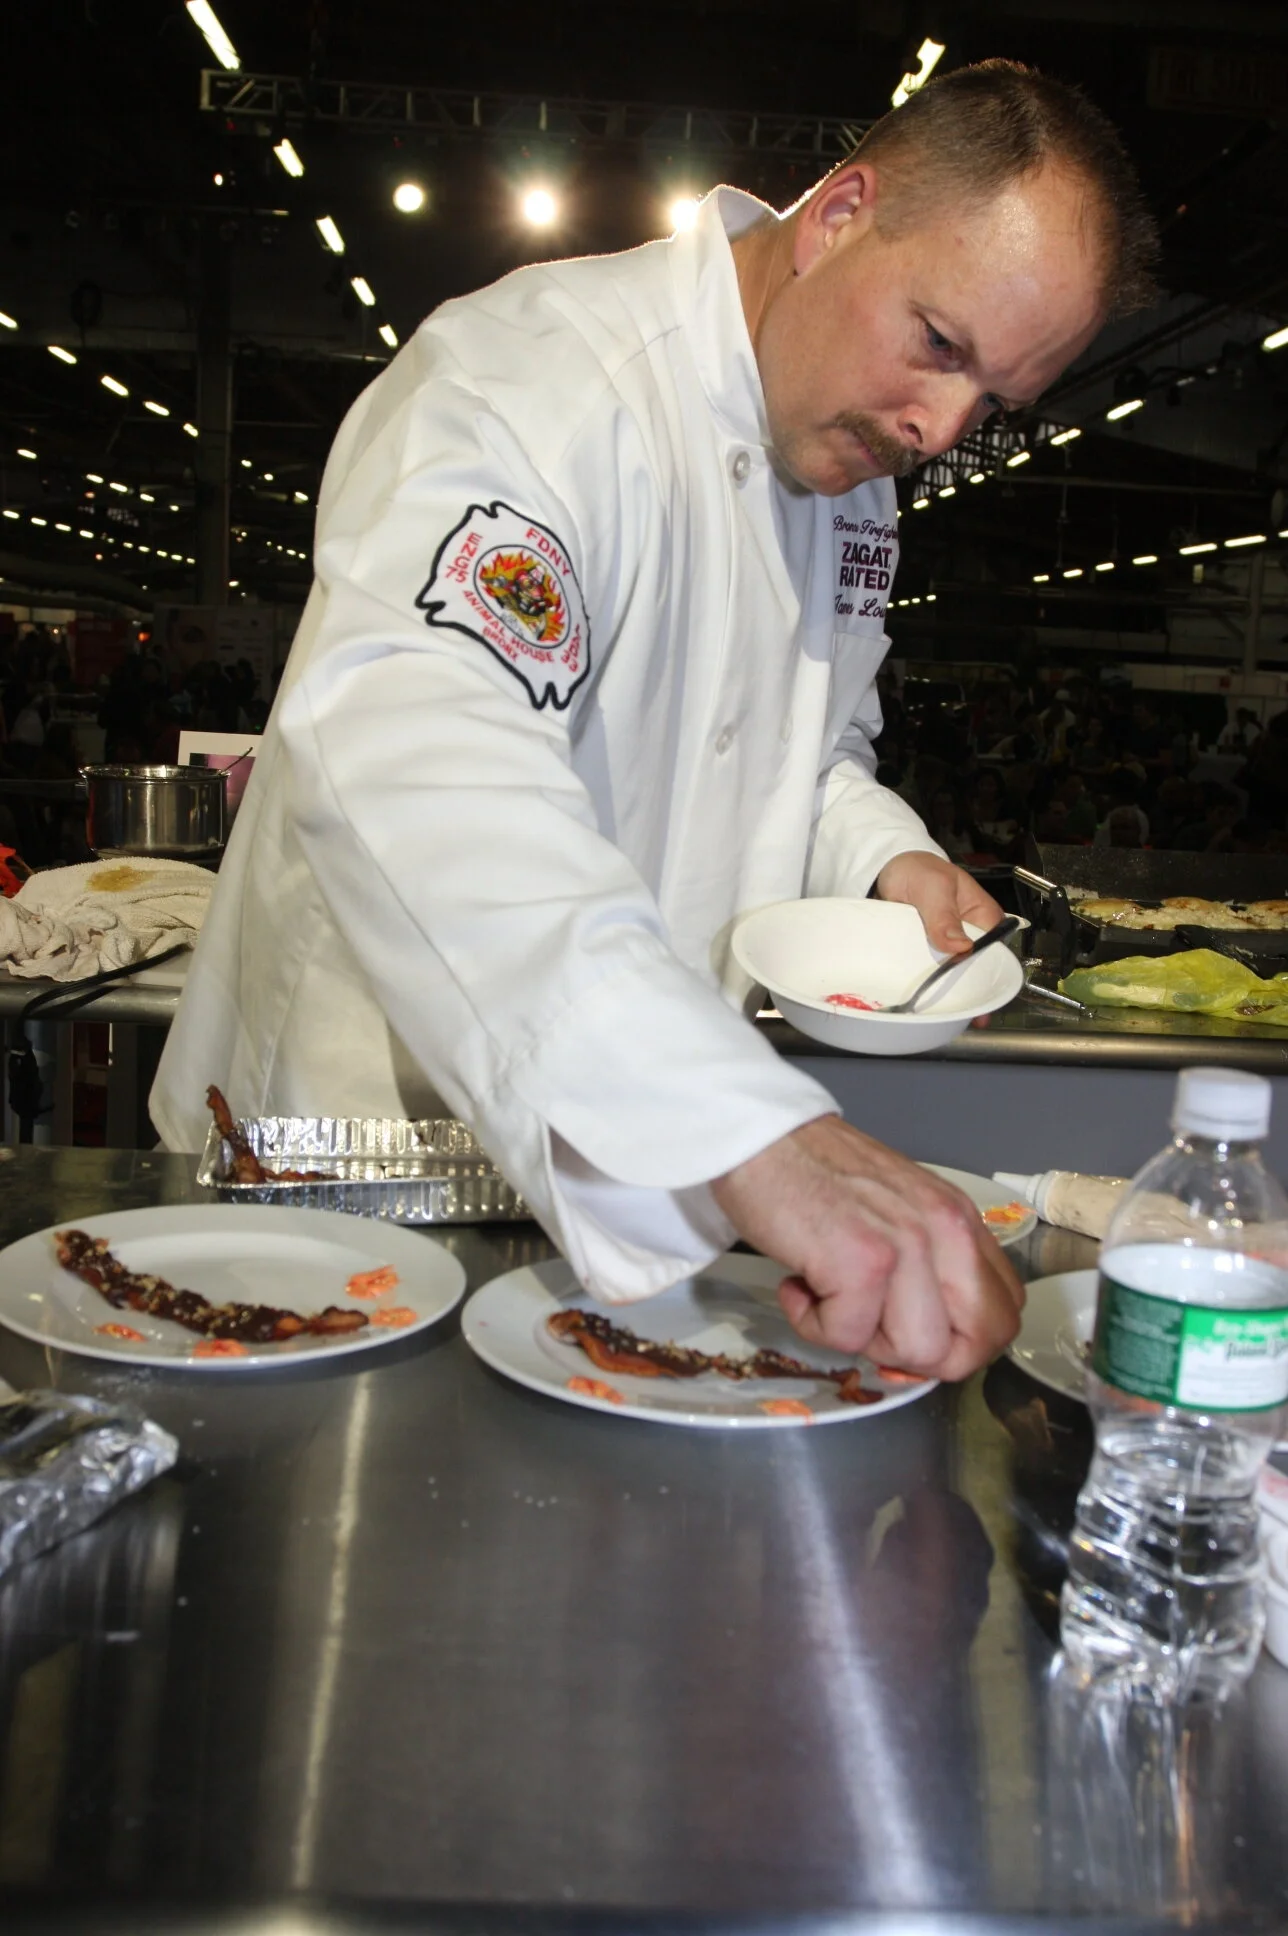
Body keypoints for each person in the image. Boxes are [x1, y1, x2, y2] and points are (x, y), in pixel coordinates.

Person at [152, 60, 1157, 1379]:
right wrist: (749, 1133)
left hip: (630, 1162)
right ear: (840, 211)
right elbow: (422, 760)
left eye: (993, 404)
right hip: (351, 1159)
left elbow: (809, 745)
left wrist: (877, 854)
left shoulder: (853, 486)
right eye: (940, 344)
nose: (940, 426)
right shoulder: (535, 386)